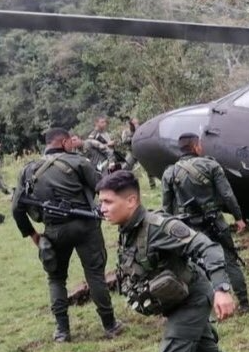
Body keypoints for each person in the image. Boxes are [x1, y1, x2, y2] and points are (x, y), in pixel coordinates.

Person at [97, 171, 236, 352]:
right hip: (174, 300)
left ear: (131, 201)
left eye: (108, 202)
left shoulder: (158, 227)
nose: (102, 209)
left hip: (192, 299)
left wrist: (221, 289)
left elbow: (207, 247)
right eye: (101, 202)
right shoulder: (128, 229)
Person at [11, 128, 123, 342]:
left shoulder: (28, 170)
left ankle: (62, 331)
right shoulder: (79, 162)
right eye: (70, 141)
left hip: (54, 230)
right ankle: (110, 325)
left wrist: (33, 235)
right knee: (95, 276)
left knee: (56, 279)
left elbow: (17, 209)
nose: (73, 144)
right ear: (62, 142)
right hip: (86, 226)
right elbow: (102, 186)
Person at [161, 133, 249, 312]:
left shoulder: (169, 172)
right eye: (200, 144)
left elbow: (166, 206)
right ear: (195, 146)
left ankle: (209, 304)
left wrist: (170, 229)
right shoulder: (211, 165)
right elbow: (227, 195)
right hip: (215, 222)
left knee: (196, 265)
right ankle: (244, 302)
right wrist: (239, 217)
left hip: (188, 228)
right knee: (229, 259)